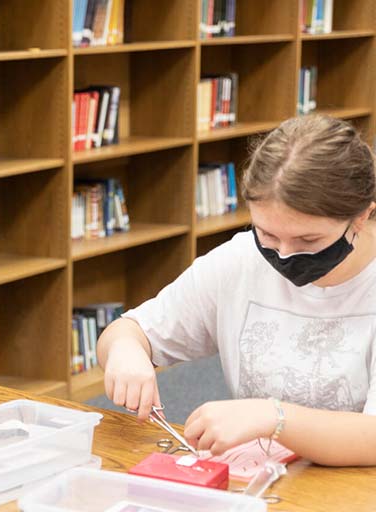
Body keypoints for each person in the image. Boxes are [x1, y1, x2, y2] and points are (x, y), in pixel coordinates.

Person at [97, 114, 376, 467]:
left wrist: (273, 418)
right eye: (268, 235)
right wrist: (125, 350)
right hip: (264, 480)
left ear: (362, 217)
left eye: (308, 240)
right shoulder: (238, 261)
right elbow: (129, 330)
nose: (284, 255)